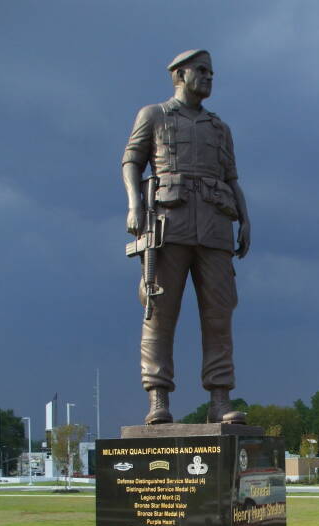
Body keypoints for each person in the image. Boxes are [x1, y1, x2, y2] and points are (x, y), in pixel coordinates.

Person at [122, 50, 251, 424]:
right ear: (179, 74)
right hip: (167, 224)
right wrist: (134, 204)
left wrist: (245, 219)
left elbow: (231, 180)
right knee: (159, 312)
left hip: (215, 225)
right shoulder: (154, 115)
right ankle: (158, 399)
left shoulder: (218, 127)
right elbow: (131, 161)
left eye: (211, 71)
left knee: (219, 314)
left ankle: (220, 400)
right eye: (201, 70)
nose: (209, 77)